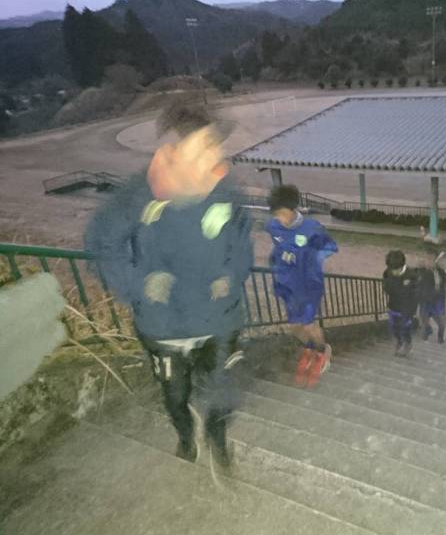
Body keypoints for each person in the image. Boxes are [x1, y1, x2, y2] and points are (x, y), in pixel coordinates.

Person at [84, 102, 254, 468]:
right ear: (171, 154)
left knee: (221, 391)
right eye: (202, 149)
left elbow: (242, 244)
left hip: (218, 320)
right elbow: (101, 244)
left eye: (214, 146)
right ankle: (185, 437)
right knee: (175, 394)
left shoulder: (226, 192)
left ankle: (217, 440)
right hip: (163, 327)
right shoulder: (137, 195)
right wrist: (138, 284)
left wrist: (232, 274)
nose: (213, 158)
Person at [267, 184, 338, 388]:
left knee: (308, 323)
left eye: (281, 214)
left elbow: (331, 247)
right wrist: (277, 258)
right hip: (289, 285)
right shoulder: (273, 227)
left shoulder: (312, 228)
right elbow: (278, 246)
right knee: (295, 326)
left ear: (292, 209)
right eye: (276, 215)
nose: (279, 218)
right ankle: (309, 347)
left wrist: (309, 258)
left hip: (309, 285)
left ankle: (323, 351)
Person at [383, 250, 419, 357]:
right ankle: (399, 342)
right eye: (392, 269)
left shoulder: (411, 275)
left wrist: (412, 311)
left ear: (402, 265)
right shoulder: (387, 272)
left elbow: (416, 295)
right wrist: (389, 284)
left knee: (405, 328)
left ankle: (407, 343)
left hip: (406, 309)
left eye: (396, 269)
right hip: (393, 306)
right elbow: (386, 288)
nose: (394, 272)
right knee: (394, 327)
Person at [417, 249, 446, 344]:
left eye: (431, 259)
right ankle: (425, 338)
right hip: (424, 303)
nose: (428, 261)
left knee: (441, 324)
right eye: (427, 258)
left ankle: (440, 339)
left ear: (435, 260)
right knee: (424, 325)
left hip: (435, 303)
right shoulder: (421, 271)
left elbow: (445, 285)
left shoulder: (440, 272)